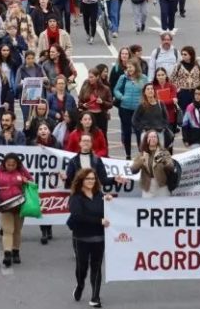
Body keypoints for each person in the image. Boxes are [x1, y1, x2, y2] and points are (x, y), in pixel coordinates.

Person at [68, 168, 112, 308]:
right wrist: (98, 221)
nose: (91, 181)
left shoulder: (100, 195)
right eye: (88, 179)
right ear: (81, 180)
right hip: (81, 237)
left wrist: (110, 202)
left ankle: (95, 297)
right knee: (82, 268)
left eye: (93, 179)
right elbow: (77, 216)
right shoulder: (76, 197)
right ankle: (80, 285)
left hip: (99, 237)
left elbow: (107, 210)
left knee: (96, 266)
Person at [0, 152, 33, 267]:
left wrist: (26, 181)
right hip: (5, 205)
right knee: (8, 230)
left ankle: (16, 252)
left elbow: (32, 181)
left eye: (13, 165)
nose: (11, 167)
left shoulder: (22, 171)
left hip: (20, 204)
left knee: (17, 230)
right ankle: (7, 254)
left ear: (17, 164)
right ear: (4, 163)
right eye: (8, 164)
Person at [113, 58, 149, 159]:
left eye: (131, 67)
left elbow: (148, 90)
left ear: (136, 67)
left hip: (138, 109)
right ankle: (128, 154)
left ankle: (140, 153)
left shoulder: (143, 78)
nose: (129, 69)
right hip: (125, 108)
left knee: (139, 132)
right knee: (127, 132)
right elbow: (116, 90)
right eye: (127, 67)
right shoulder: (123, 78)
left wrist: (144, 101)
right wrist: (121, 97)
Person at [131, 131, 176, 198]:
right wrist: (140, 161)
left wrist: (164, 161)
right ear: (146, 140)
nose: (152, 139)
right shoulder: (141, 154)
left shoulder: (164, 152)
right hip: (148, 187)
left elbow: (172, 167)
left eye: (154, 137)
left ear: (157, 139)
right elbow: (133, 170)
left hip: (162, 186)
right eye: (150, 137)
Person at [171, 45, 200, 114]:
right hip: (182, 93)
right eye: (182, 54)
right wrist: (177, 88)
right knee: (184, 111)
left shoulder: (197, 66)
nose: (183, 56)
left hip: (195, 92)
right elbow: (172, 79)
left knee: (195, 111)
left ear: (191, 55)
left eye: (185, 54)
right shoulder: (178, 66)